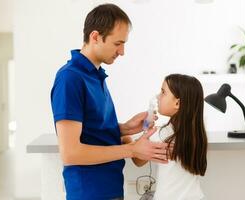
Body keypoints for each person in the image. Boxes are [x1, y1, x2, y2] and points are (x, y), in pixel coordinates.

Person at [50, 4, 168, 200]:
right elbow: (70, 153)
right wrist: (131, 149)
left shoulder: (96, 77)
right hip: (89, 193)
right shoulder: (70, 79)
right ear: (95, 36)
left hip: (110, 188)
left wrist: (125, 128)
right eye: (117, 43)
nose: (122, 51)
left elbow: (91, 131)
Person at [128, 74, 208, 200]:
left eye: (163, 92)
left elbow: (138, 160)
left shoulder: (161, 135)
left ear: (177, 103)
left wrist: (128, 137)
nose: (158, 97)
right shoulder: (197, 135)